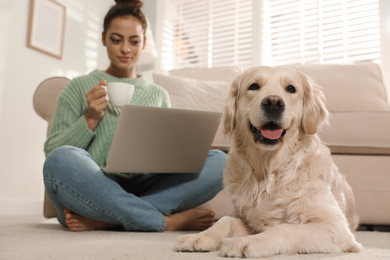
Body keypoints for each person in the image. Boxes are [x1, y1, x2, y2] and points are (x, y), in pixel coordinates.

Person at [43, 0, 227, 232]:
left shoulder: (157, 94)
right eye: (116, 39)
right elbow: (52, 151)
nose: (126, 49)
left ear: (144, 43)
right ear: (103, 39)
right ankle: (161, 221)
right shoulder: (78, 87)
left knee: (221, 162)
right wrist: (90, 118)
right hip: (95, 185)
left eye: (134, 41)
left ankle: (109, 220)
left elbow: (168, 154)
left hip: (145, 184)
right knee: (59, 160)